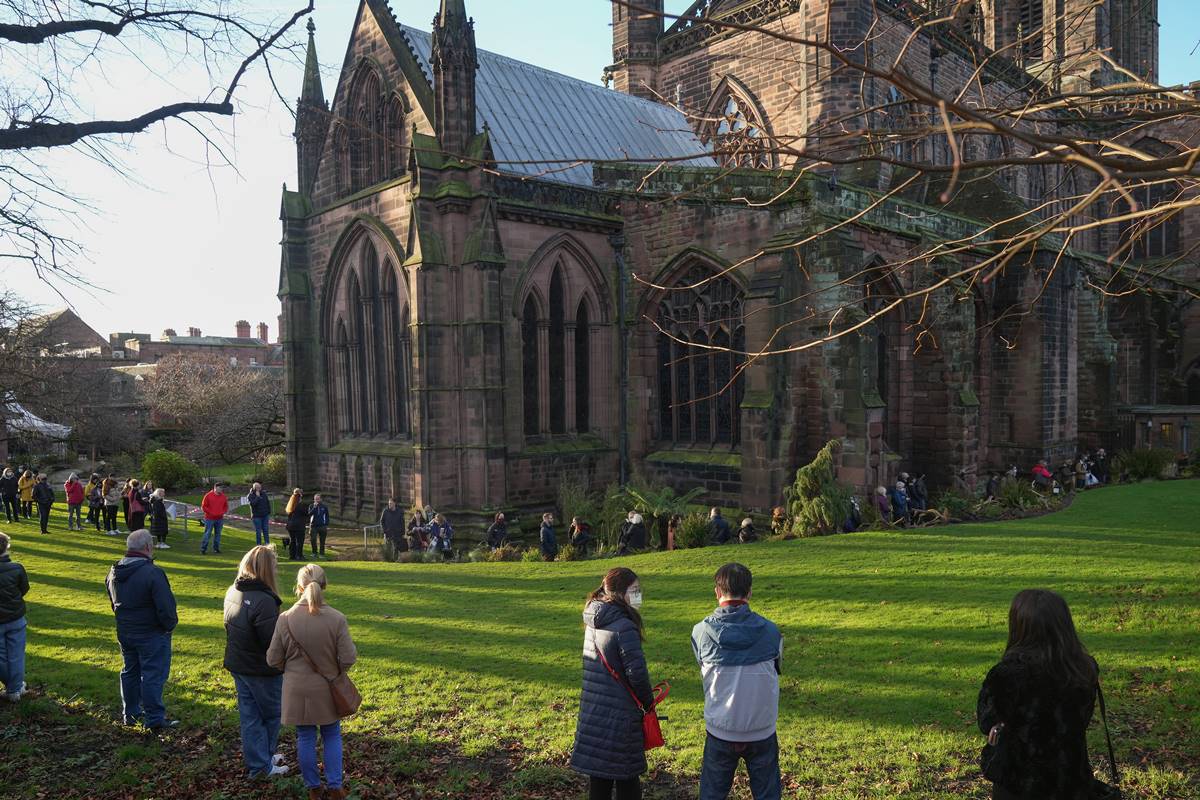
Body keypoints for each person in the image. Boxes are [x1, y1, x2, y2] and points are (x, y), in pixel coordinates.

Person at [977, 589, 1102, 800]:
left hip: (1020, 783)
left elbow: (986, 720)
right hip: (1071, 776)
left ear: (1019, 627)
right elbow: (1080, 718)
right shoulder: (1083, 668)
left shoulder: (1008, 674)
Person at [692, 563, 783, 800]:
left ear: (717, 592)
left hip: (721, 727)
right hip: (761, 728)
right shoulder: (772, 633)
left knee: (712, 793)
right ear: (750, 593)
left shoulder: (700, 632)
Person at [266, 564, 357, 800]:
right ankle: (336, 785)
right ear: (324, 585)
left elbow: (272, 658)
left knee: (305, 737)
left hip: (296, 689)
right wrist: (334, 671)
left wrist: (292, 671)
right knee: (332, 734)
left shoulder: (284, 619)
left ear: (298, 587)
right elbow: (349, 657)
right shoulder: (337, 618)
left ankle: (313, 787)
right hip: (327, 687)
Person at [570, 567, 655, 800]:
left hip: (594, 710)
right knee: (628, 776)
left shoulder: (594, 619)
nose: (638, 596)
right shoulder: (624, 626)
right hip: (620, 715)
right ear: (619, 593)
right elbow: (637, 673)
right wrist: (649, 704)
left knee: (599, 778)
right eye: (634, 590)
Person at [224, 546, 289, 779]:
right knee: (270, 714)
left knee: (250, 715)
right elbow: (272, 642)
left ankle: (259, 759)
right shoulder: (264, 600)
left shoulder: (233, 590)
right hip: (261, 669)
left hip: (239, 663)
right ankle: (262, 764)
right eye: (274, 566)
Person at [104, 530, 179, 730]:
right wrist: (168, 626)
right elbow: (166, 607)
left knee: (130, 671)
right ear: (147, 547)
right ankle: (155, 720)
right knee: (153, 675)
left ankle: (131, 714)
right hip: (151, 633)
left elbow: (113, 601)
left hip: (126, 631)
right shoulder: (153, 573)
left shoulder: (113, 572)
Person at [0, 532, 30, 702]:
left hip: (11, 617)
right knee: (16, 655)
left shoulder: (16, 568)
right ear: (7, 547)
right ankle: (15, 688)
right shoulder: (17, 568)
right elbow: (24, 589)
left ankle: (14, 688)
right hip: (15, 617)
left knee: (2, 657)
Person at [200, 482, 229, 555]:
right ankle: (203, 549)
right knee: (207, 534)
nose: (221, 490)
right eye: (220, 488)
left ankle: (216, 548)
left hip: (219, 519)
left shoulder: (223, 496)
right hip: (209, 518)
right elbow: (203, 506)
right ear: (215, 488)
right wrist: (210, 513)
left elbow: (226, 506)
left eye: (222, 488)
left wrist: (223, 512)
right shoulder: (208, 496)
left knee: (218, 534)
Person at [284, 490, 309, 562]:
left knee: (292, 541)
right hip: (299, 526)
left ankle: (292, 555)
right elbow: (307, 513)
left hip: (290, 526)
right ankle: (299, 555)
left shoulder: (290, 505)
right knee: (300, 541)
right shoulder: (300, 505)